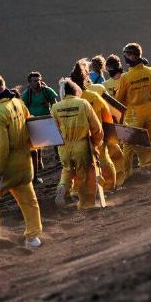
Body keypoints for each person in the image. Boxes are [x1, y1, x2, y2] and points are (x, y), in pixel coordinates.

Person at [0, 73, 43, 247]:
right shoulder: (18, 104)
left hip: (8, 168)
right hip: (25, 165)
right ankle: (33, 237)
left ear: (1, 89)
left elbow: (2, 148)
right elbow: (31, 126)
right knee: (29, 201)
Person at [116, 43, 151, 177]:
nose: (125, 57)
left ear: (132, 56)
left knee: (140, 142)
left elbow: (119, 99)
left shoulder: (125, 77)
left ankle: (146, 166)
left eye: (126, 54)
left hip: (133, 115)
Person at [51, 78, 104, 209]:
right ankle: (86, 204)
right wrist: (96, 143)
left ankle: (63, 186)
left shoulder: (56, 107)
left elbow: (53, 129)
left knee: (67, 169)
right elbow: (96, 126)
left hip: (64, 146)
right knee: (84, 175)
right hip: (81, 144)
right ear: (75, 90)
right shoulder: (83, 103)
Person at [68, 59, 119, 192]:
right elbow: (108, 114)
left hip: (77, 137)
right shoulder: (95, 96)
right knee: (104, 160)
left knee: (79, 165)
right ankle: (108, 187)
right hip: (97, 134)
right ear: (85, 79)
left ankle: (77, 190)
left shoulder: (70, 101)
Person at [20, 71, 59, 185]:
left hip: (47, 119)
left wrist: (54, 116)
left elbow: (54, 104)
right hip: (34, 121)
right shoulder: (27, 94)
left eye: (39, 80)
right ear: (30, 82)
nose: (37, 83)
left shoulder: (47, 91)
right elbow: (23, 109)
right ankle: (39, 162)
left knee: (56, 139)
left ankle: (59, 158)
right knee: (36, 145)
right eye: (35, 81)